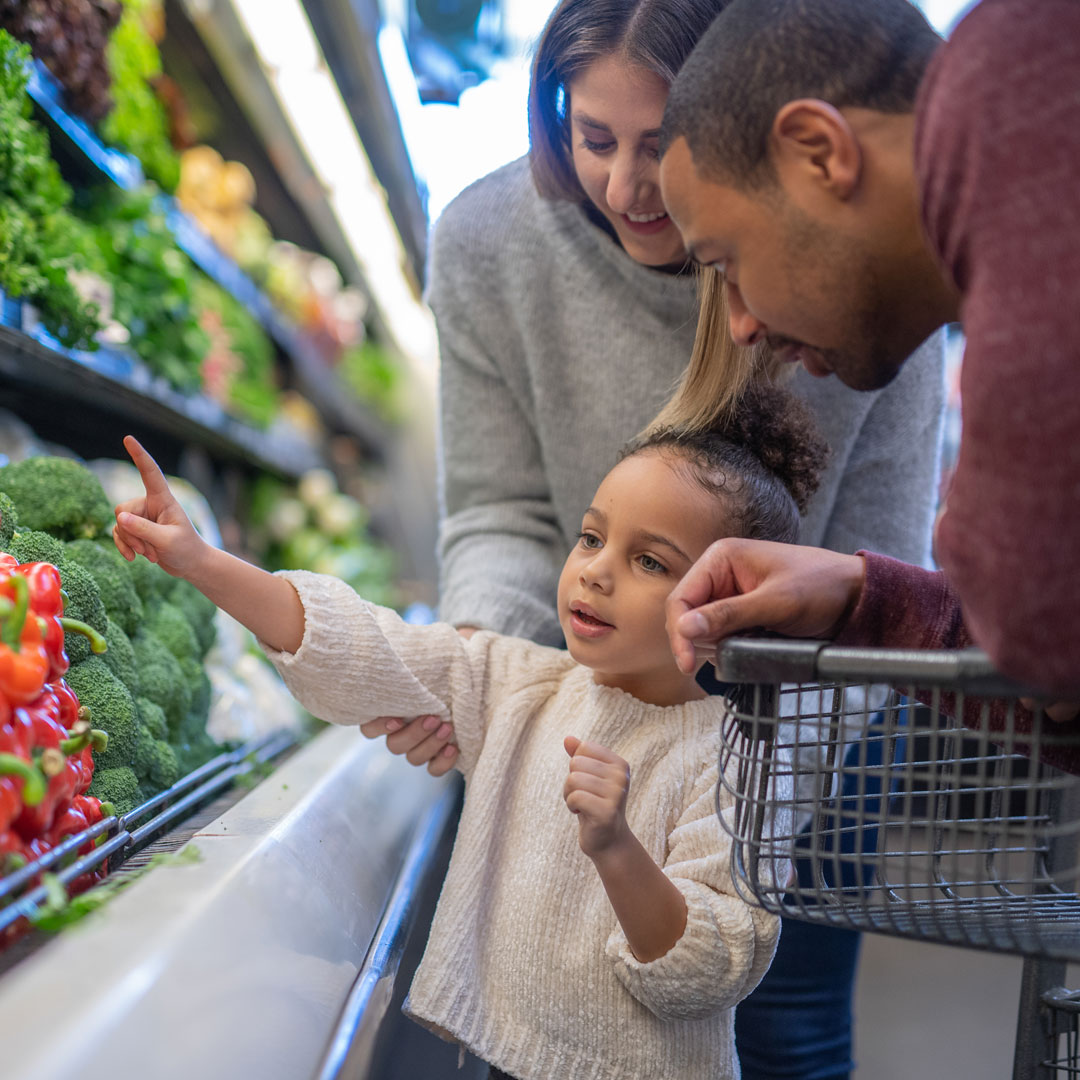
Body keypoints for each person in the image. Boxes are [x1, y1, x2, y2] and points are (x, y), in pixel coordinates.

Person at [376, 1, 946, 1076]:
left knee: (784, 1033)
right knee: (551, 1015)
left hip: (808, 732)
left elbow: (880, 575)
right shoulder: (489, 242)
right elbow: (500, 510)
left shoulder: (863, 262)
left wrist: (732, 825)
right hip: (587, 725)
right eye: (595, 139)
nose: (630, 189)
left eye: (661, 146)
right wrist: (475, 677)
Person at [111, 391, 821, 1080]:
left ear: (725, 611)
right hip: (501, 1058)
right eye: (592, 536)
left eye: (649, 562)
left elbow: (710, 968)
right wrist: (203, 563)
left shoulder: (741, 762)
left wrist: (617, 847)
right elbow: (363, 647)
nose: (596, 572)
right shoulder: (519, 683)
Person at [657, 0, 1080, 705]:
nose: (739, 326)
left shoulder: (1023, 74)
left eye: (727, 263)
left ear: (819, 153)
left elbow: (1036, 628)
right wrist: (861, 598)